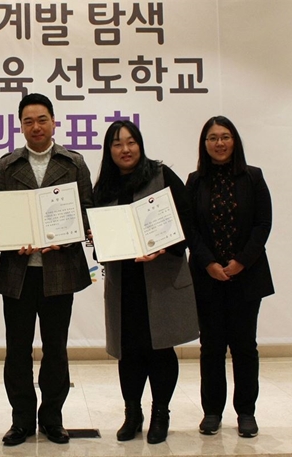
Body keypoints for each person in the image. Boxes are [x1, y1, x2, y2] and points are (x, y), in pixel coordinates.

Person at [0, 93, 93, 446]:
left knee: (56, 348)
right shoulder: (7, 165)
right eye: (28, 121)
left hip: (59, 269)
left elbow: (87, 211)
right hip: (18, 272)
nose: (36, 127)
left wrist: (66, 237)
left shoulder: (74, 163)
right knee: (17, 349)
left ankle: (52, 418)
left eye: (42, 119)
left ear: (54, 121)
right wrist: (10, 238)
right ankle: (21, 420)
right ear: (20, 126)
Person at [91, 120, 198, 444]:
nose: (125, 149)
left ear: (140, 144)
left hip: (161, 279)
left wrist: (165, 246)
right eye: (117, 144)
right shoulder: (103, 188)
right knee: (130, 352)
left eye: (131, 142)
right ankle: (132, 412)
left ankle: (160, 413)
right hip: (125, 284)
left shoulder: (162, 176)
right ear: (109, 151)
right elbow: (99, 245)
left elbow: (189, 222)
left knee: (161, 350)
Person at [186, 116, 274, 438]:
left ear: (234, 141)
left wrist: (241, 261)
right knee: (210, 347)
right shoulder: (195, 181)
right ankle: (212, 412)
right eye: (212, 138)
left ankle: (246, 412)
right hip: (207, 277)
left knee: (244, 347)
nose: (219, 143)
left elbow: (262, 224)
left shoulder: (253, 177)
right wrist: (209, 263)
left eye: (225, 137)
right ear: (204, 144)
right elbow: (189, 228)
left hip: (246, 277)